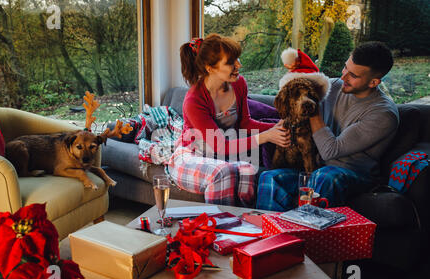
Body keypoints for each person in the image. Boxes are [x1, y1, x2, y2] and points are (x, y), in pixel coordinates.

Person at [257, 41, 399, 211]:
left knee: (326, 176)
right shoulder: (334, 86)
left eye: (353, 75)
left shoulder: (383, 114)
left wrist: (312, 108)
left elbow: (330, 151)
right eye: (345, 67)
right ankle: (271, 234)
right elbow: (292, 97)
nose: (343, 76)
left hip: (353, 175)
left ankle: (309, 234)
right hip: (316, 168)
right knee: (270, 177)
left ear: (373, 82)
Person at [166, 34, 290, 207]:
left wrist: (277, 128)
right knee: (224, 172)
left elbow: (246, 123)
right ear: (210, 68)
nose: (239, 65)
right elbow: (219, 146)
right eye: (230, 62)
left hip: (220, 155)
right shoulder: (194, 100)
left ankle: (245, 226)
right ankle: (219, 227)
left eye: (237, 58)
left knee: (247, 171)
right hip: (192, 154)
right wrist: (267, 136)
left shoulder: (239, 84)